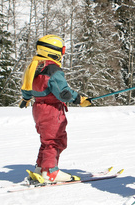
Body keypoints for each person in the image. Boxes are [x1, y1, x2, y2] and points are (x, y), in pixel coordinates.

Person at [20, 34, 92, 183]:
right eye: (62, 50)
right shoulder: (52, 69)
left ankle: (40, 168)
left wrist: (26, 98)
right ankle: (50, 171)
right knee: (55, 140)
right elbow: (62, 92)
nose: (62, 54)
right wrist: (79, 99)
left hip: (38, 107)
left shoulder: (34, 66)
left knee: (46, 140)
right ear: (54, 51)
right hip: (51, 109)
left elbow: (26, 86)